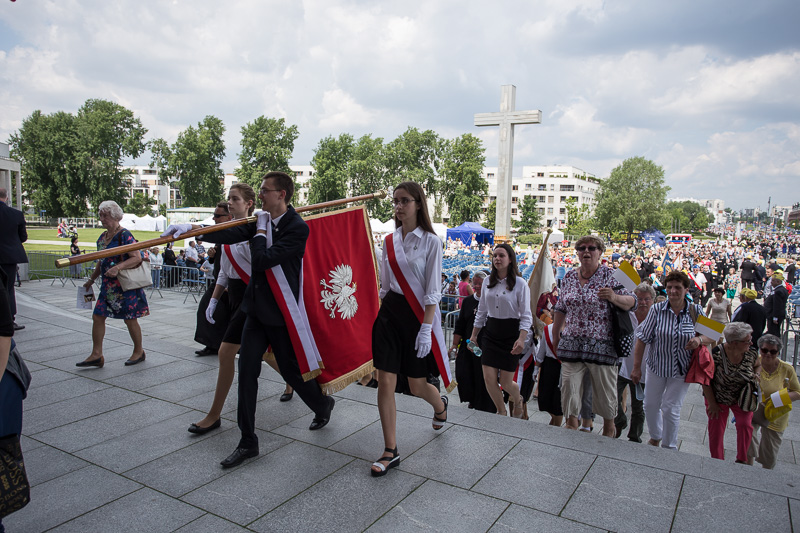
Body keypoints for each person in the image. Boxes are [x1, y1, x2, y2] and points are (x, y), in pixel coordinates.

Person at [164, 171, 335, 469]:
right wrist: (193, 230)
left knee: (292, 373)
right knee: (247, 372)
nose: (262, 195)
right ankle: (248, 441)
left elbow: (264, 259)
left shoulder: (297, 228)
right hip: (255, 311)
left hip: (281, 315)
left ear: (281, 194)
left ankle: (322, 404)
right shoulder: (261, 220)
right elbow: (229, 232)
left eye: (266, 191)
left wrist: (257, 234)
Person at [187, 183, 294, 436]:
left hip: (252, 297)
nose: (229, 203)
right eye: (228, 199)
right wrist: (214, 300)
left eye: (235, 199)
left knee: (228, 353)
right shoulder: (226, 234)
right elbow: (224, 272)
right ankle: (297, 382)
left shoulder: (252, 231)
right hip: (234, 297)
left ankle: (214, 415)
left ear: (249, 204)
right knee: (262, 354)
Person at [370, 181, 448, 477]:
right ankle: (391, 450)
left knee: (416, 385)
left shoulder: (431, 241)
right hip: (390, 315)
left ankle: (439, 405)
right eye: (396, 201)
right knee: (385, 380)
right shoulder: (388, 241)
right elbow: (385, 286)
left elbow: (432, 290)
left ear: (418, 204)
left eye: (404, 201)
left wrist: (426, 328)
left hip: (417, 318)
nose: (398, 207)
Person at [552, 235, 636, 437]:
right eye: (581, 248)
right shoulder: (570, 276)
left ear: (600, 252)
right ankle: (571, 426)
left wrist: (614, 297)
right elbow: (561, 308)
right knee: (569, 391)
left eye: (591, 248)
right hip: (572, 345)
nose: (586, 252)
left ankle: (608, 431)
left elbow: (632, 301)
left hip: (603, 348)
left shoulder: (612, 275)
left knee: (606, 397)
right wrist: (556, 336)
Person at [631, 271, 711, 449]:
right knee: (650, 405)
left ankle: (669, 446)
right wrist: (637, 368)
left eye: (677, 287)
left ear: (686, 289)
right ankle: (656, 435)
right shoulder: (657, 310)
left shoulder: (695, 310)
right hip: (656, 366)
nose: (673, 291)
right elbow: (642, 338)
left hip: (681, 369)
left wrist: (699, 340)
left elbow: (713, 336)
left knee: (671, 407)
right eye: (669, 287)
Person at [76, 201, 149, 368]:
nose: (102, 219)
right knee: (97, 316)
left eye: (105, 216)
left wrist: (118, 267)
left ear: (115, 216)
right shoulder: (102, 237)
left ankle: (139, 351)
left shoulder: (125, 235)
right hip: (108, 288)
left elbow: (136, 257)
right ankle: (96, 354)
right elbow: (101, 262)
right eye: (100, 215)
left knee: (130, 319)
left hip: (125, 286)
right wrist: (91, 279)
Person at [468, 243, 532, 417]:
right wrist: (474, 336)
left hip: (511, 334)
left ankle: (517, 399)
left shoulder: (520, 284)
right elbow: (481, 311)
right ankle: (501, 411)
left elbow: (526, 315)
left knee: (505, 381)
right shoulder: (488, 281)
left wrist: (521, 339)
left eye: (501, 255)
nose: (497, 258)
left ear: (510, 259)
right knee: (488, 378)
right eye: (495, 255)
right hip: (490, 333)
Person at [702, 322, 760, 463]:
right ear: (734, 343)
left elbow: (758, 364)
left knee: (745, 424)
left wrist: (757, 375)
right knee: (716, 429)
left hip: (742, 397)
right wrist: (712, 403)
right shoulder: (716, 355)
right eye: (747, 341)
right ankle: (717, 460)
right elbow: (705, 380)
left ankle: (741, 459)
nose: (751, 342)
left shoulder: (751, 352)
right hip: (717, 396)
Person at [748, 334, 800, 469]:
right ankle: (747, 469)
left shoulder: (787, 369)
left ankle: (766, 475)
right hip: (754, 410)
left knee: (770, 453)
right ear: (760, 349)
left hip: (775, 414)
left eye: (773, 351)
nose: (768, 354)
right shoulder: (753, 363)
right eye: (765, 350)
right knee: (748, 437)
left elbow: (797, 392)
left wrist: (779, 398)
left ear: (778, 352)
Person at [615, 282, 656, 442]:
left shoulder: (656, 320)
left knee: (639, 408)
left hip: (644, 371)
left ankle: (634, 437)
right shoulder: (627, 314)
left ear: (652, 300)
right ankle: (620, 421)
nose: (643, 302)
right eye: (639, 299)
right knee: (612, 398)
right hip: (622, 366)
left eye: (647, 299)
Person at [452, 271, 494, 413]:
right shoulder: (469, 301)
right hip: (468, 344)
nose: (475, 286)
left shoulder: (492, 302)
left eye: (479, 284)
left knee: (481, 375)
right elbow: (461, 323)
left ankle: (483, 402)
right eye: (474, 283)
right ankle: (471, 398)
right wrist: (454, 344)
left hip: (485, 346)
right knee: (465, 373)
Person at [194, 202, 232, 356]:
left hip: (233, 283)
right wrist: (212, 256)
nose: (215, 219)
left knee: (233, 318)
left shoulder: (234, 233)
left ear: (229, 217)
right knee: (206, 308)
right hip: (219, 281)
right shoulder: (221, 233)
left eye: (218, 216)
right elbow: (221, 258)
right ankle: (212, 344)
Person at [0, 188, 27, 331]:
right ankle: (9, 320)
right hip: (8, 257)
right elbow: (23, 237)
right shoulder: (15, 214)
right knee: (8, 289)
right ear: (7, 197)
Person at [763, 272, 788, 337]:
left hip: (774, 315)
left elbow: (777, 305)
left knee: (773, 332)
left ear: (778, 282)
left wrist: (775, 317)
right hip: (774, 314)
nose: (771, 283)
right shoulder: (780, 289)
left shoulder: (778, 291)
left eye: (773, 281)